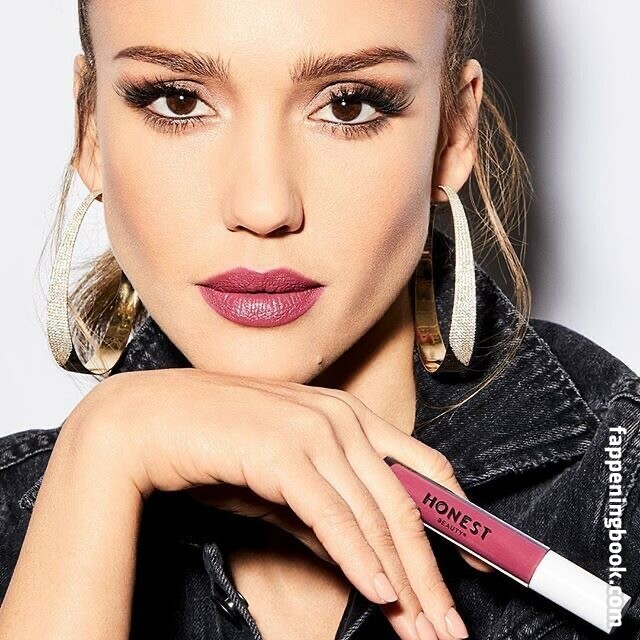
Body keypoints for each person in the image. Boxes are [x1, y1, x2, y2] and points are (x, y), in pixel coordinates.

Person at [0, 1, 638, 639]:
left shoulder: (620, 486)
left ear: (453, 133)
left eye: (348, 105)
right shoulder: (25, 511)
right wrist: (105, 449)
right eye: (178, 101)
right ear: (90, 127)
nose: (264, 207)